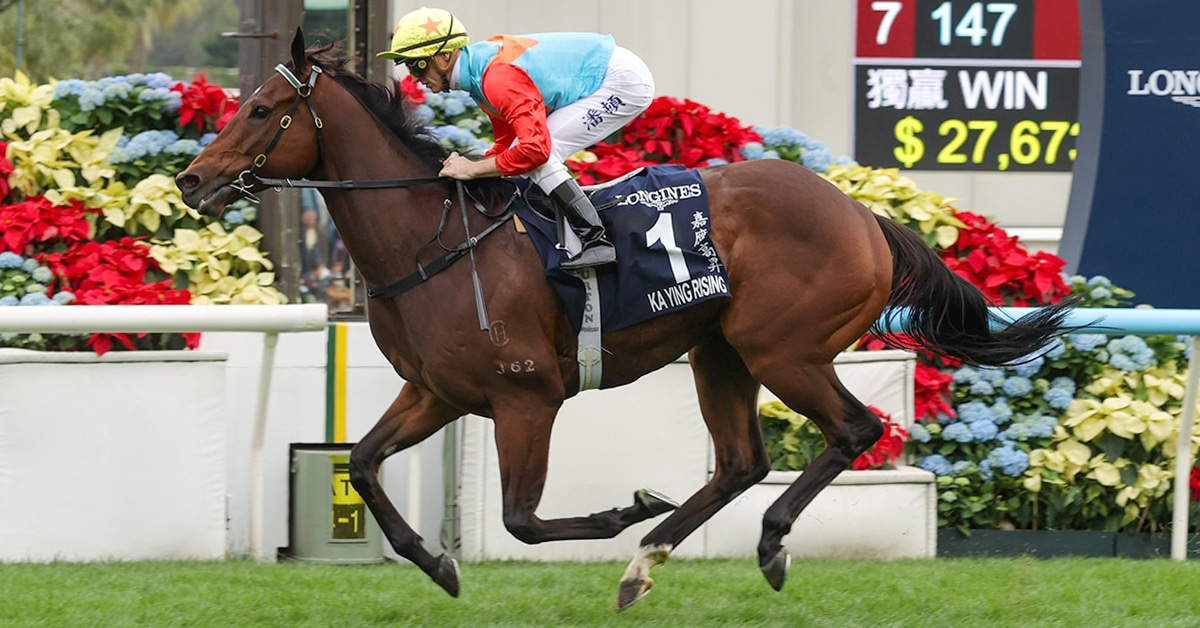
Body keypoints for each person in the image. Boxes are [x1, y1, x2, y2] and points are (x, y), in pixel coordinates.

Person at [377, 7, 655, 271]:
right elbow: (504, 146)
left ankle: (596, 241)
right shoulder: (479, 74)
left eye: (416, 66)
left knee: (541, 155)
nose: (415, 78)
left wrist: (472, 168)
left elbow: (535, 150)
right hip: (611, 71)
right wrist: (469, 169)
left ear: (443, 57)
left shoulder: (496, 78)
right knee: (522, 153)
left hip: (623, 81)